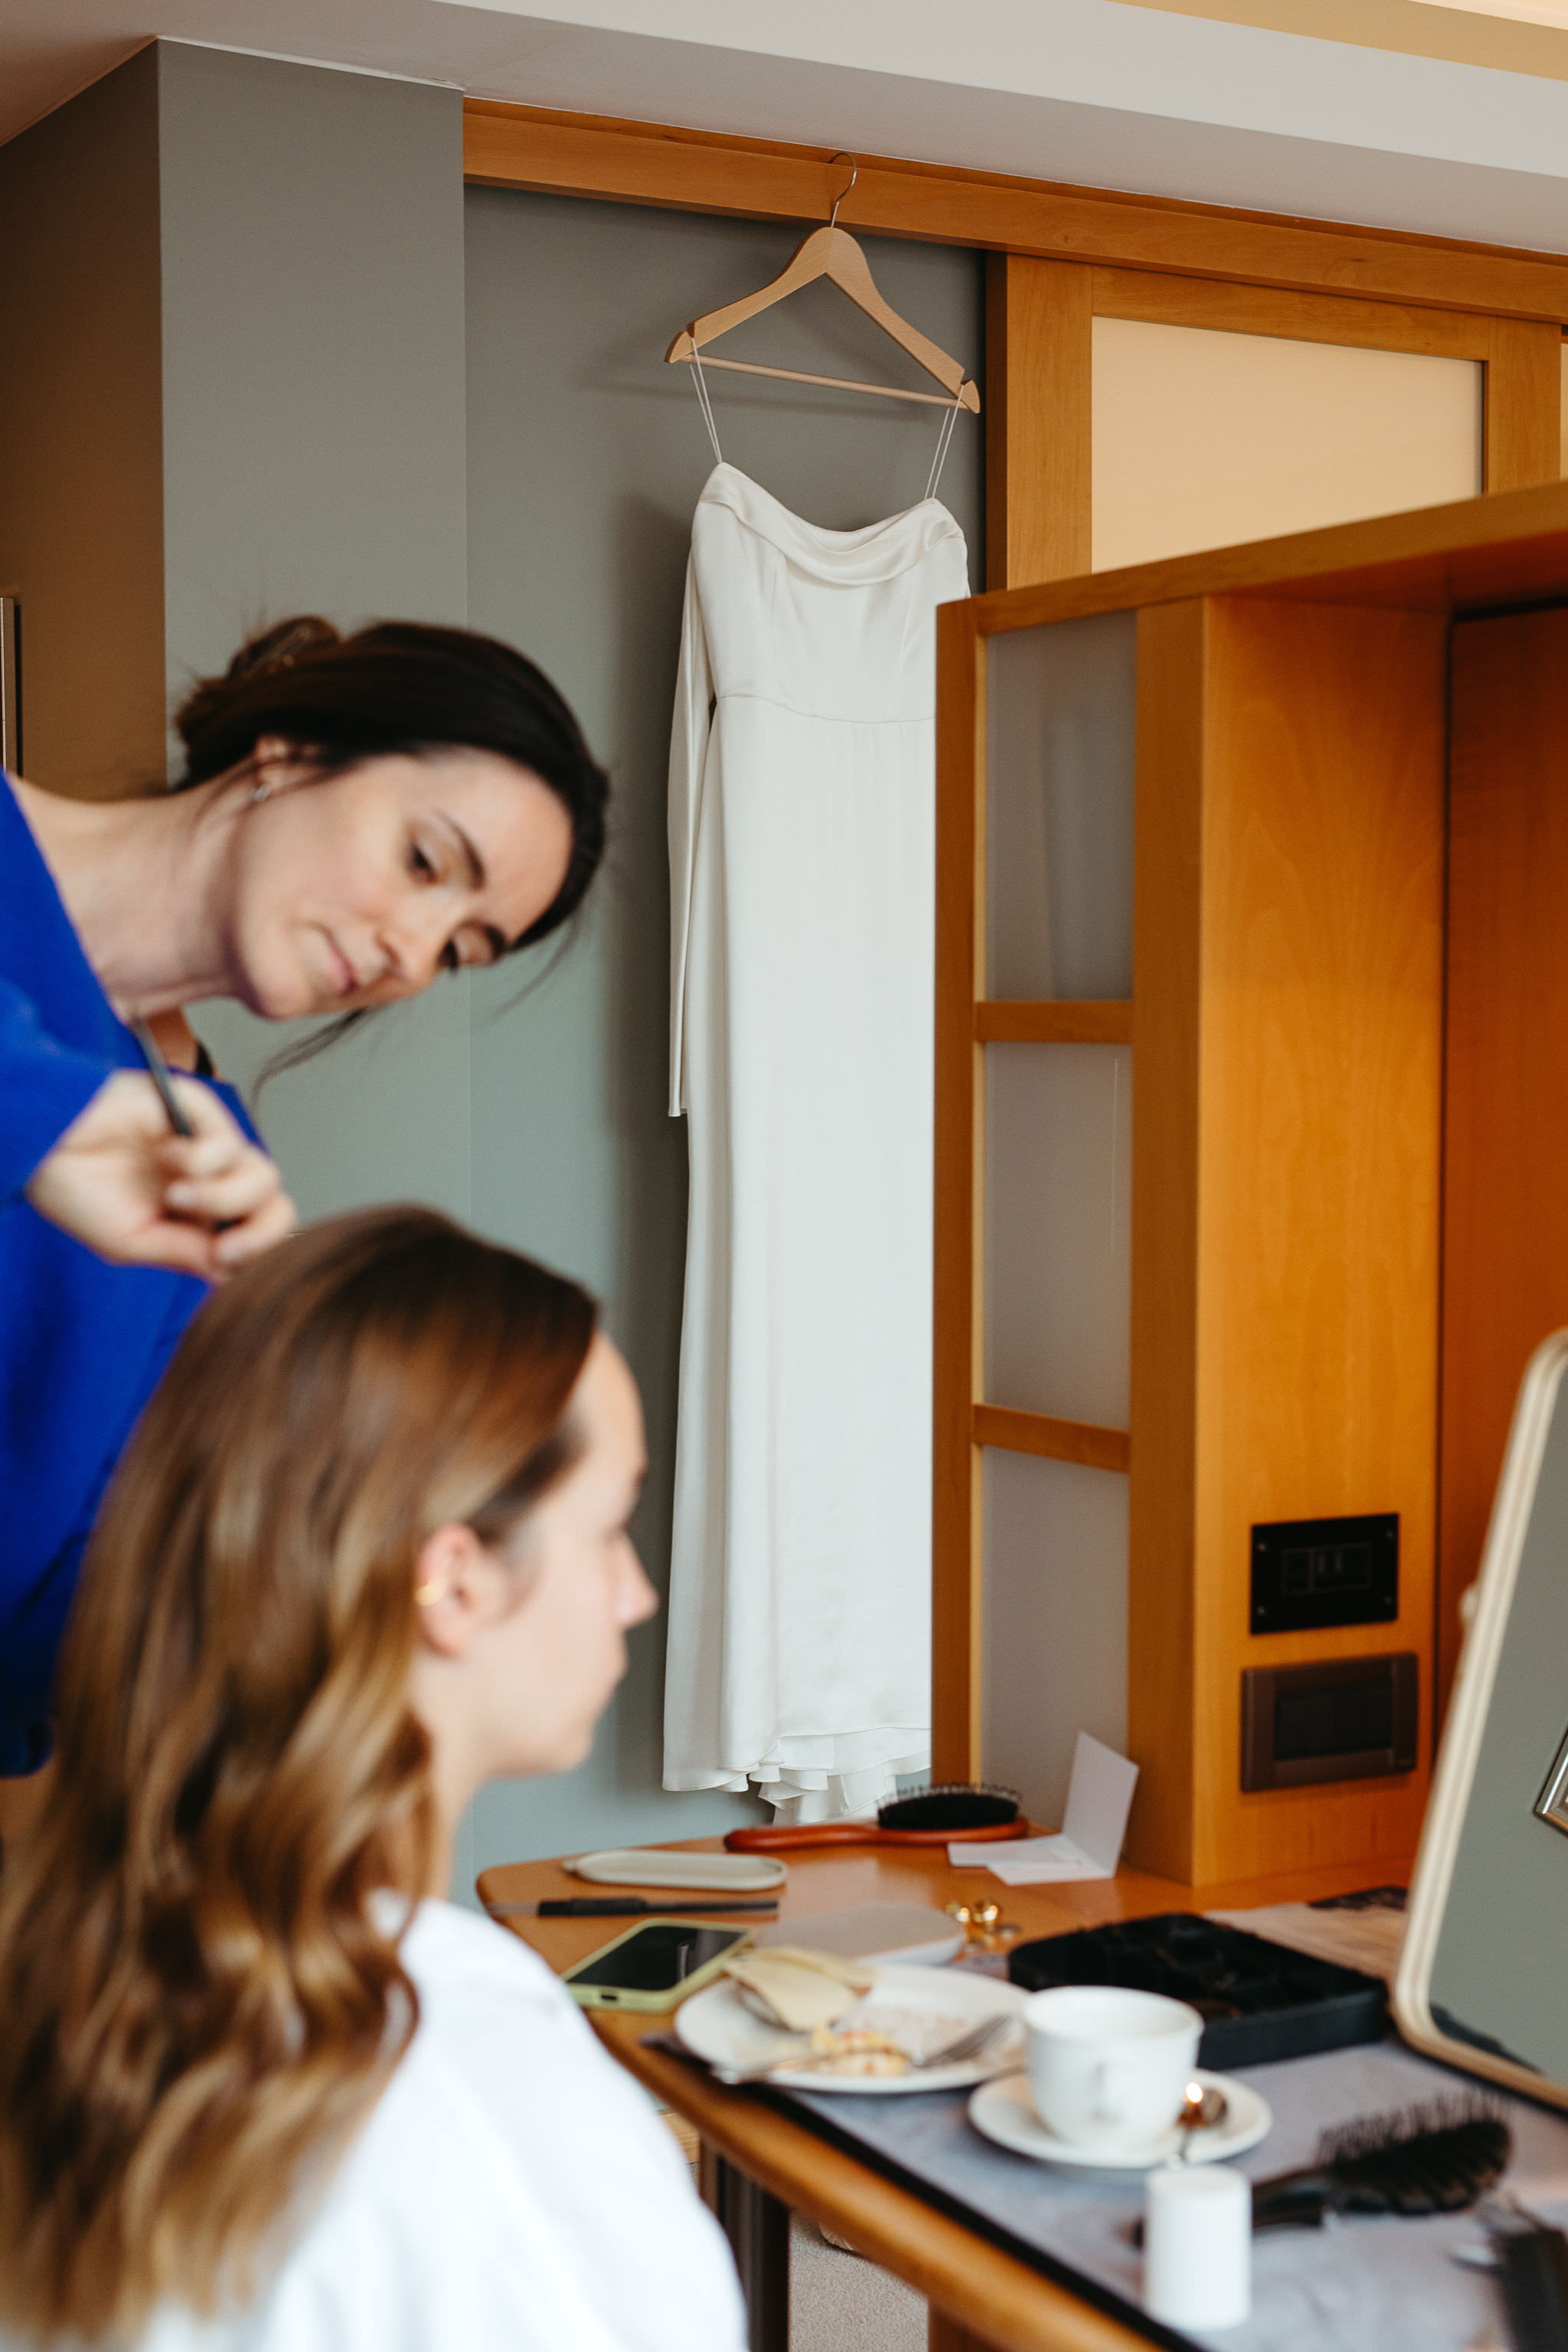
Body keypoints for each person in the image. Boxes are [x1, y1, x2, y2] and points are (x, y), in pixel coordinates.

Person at [0, 1207, 747, 2352]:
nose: (636, 1593)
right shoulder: (488, 2120)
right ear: (452, 1582)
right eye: (612, 1526)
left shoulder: (70, 1978)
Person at [2, 616, 609, 1786]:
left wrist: (332, 1552)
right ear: (289, 751)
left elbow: (56, 1625)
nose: (411, 955)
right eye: (424, 864)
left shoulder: (201, 1175)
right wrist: (37, 1117)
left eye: (461, 949)